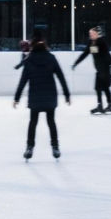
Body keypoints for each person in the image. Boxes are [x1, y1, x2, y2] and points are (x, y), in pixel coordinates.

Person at [14, 29, 70, 160]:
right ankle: (55, 147)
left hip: (35, 96)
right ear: (44, 44)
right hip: (50, 96)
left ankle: (29, 148)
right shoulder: (51, 58)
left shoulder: (29, 60)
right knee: (51, 121)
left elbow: (23, 80)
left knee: (33, 122)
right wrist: (67, 95)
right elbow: (61, 77)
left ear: (32, 44)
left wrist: (16, 98)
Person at [72, 26, 111, 114]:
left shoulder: (101, 42)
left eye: (91, 33)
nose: (90, 35)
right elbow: (85, 54)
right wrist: (76, 63)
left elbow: (108, 55)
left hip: (105, 69)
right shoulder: (91, 43)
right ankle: (103, 105)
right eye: (89, 33)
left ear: (96, 34)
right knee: (99, 88)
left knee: (104, 87)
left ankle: (108, 105)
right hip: (99, 70)